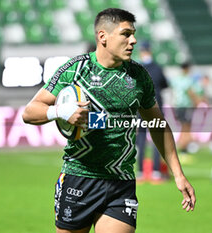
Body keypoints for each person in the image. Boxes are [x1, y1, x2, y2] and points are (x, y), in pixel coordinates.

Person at [22, 8, 195, 233]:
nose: (133, 40)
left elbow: (158, 125)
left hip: (120, 183)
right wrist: (61, 112)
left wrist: (179, 175)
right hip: (79, 178)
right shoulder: (75, 69)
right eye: (125, 34)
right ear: (103, 36)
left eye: (133, 34)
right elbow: (29, 112)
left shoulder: (139, 76)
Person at [136, 41, 169, 182]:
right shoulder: (157, 68)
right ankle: (156, 171)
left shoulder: (136, 68)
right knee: (157, 139)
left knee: (141, 139)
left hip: (141, 107)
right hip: (156, 107)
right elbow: (165, 84)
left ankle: (140, 172)